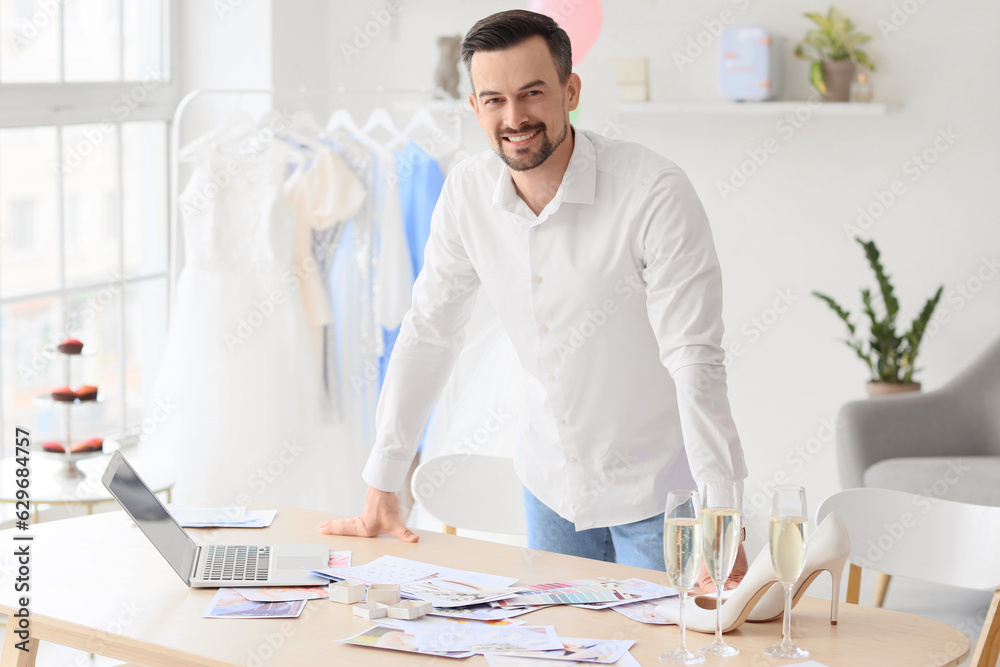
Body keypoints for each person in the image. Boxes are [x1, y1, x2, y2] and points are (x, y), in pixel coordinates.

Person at [319, 9, 749, 586]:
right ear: (473, 107)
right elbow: (429, 333)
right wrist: (384, 481)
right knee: (558, 644)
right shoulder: (466, 193)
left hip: (660, 494)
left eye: (532, 93)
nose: (514, 117)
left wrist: (722, 514)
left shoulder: (653, 193)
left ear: (571, 91)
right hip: (550, 486)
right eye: (493, 99)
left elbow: (695, 358)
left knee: (663, 645)